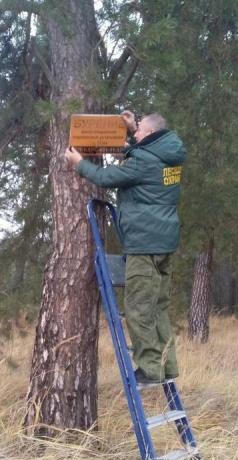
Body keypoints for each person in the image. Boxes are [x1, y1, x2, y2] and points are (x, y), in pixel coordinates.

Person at [64, 111, 186, 384]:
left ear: (151, 134)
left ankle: (150, 369)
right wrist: (132, 130)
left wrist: (79, 163)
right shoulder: (168, 156)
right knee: (157, 307)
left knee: (139, 308)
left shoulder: (143, 161)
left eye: (139, 129)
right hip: (163, 242)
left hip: (144, 244)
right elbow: (142, 155)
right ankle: (166, 365)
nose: (135, 132)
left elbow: (107, 177)